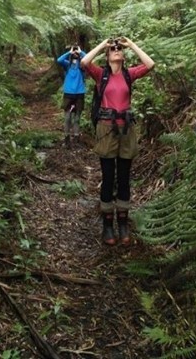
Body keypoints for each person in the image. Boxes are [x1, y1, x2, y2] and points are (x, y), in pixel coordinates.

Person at [80, 36, 155, 246]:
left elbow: (150, 64)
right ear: (107, 55)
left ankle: (123, 223)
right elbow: (85, 62)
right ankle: (107, 225)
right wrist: (103, 45)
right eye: (112, 49)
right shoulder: (101, 75)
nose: (116, 50)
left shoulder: (128, 74)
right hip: (106, 128)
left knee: (123, 177)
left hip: (126, 129)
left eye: (118, 48)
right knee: (108, 176)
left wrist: (131, 44)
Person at [57, 44, 87, 147]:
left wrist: (80, 51)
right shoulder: (67, 64)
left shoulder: (82, 66)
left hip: (79, 94)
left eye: (76, 52)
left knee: (77, 118)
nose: (75, 53)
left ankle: (76, 139)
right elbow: (59, 60)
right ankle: (67, 139)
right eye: (74, 52)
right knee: (67, 118)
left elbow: (88, 59)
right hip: (68, 94)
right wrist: (69, 53)